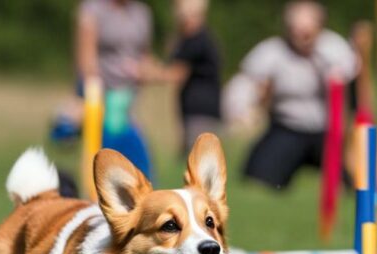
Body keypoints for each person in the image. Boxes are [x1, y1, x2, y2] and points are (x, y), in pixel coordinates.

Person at [238, 1, 359, 189]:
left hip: (328, 133)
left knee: (356, 178)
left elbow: (354, 88)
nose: (301, 37)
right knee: (258, 176)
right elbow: (246, 87)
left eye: (307, 31)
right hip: (287, 128)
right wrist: (252, 106)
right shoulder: (271, 52)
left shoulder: (334, 49)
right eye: (295, 30)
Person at [75, 0, 156, 179]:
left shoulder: (141, 13)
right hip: (101, 95)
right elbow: (86, 56)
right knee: (101, 155)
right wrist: (93, 91)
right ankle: (95, 197)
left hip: (130, 96)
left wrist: (145, 71)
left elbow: (145, 55)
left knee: (135, 157)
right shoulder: (92, 9)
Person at [144, 0, 223, 156]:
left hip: (201, 113)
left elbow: (176, 73)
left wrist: (147, 74)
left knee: (198, 159)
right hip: (195, 110)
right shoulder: (193, 40)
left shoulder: (198, 41)